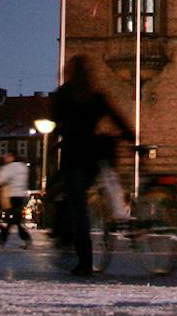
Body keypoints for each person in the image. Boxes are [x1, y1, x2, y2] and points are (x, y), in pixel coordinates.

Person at [49, 56, 133, 276]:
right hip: (93, 157)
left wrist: (63, 133)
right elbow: (117, 117)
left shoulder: (63, 95)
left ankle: (83, 260)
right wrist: (129, 135)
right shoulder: (95, 95)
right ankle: (110, 215)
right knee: (89, 194)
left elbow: (56, 121)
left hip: (73, 156)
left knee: (77, 207)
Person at [0, 150, 32, 247]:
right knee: (16, 219)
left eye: (7, 156)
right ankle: (6, 238)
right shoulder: (23, 167)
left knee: (15, 219)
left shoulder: (10, 167)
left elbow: (2, 177)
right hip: (21, 195)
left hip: (13, 195)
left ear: (12, 157)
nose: (5, 158)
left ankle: (4, 238)